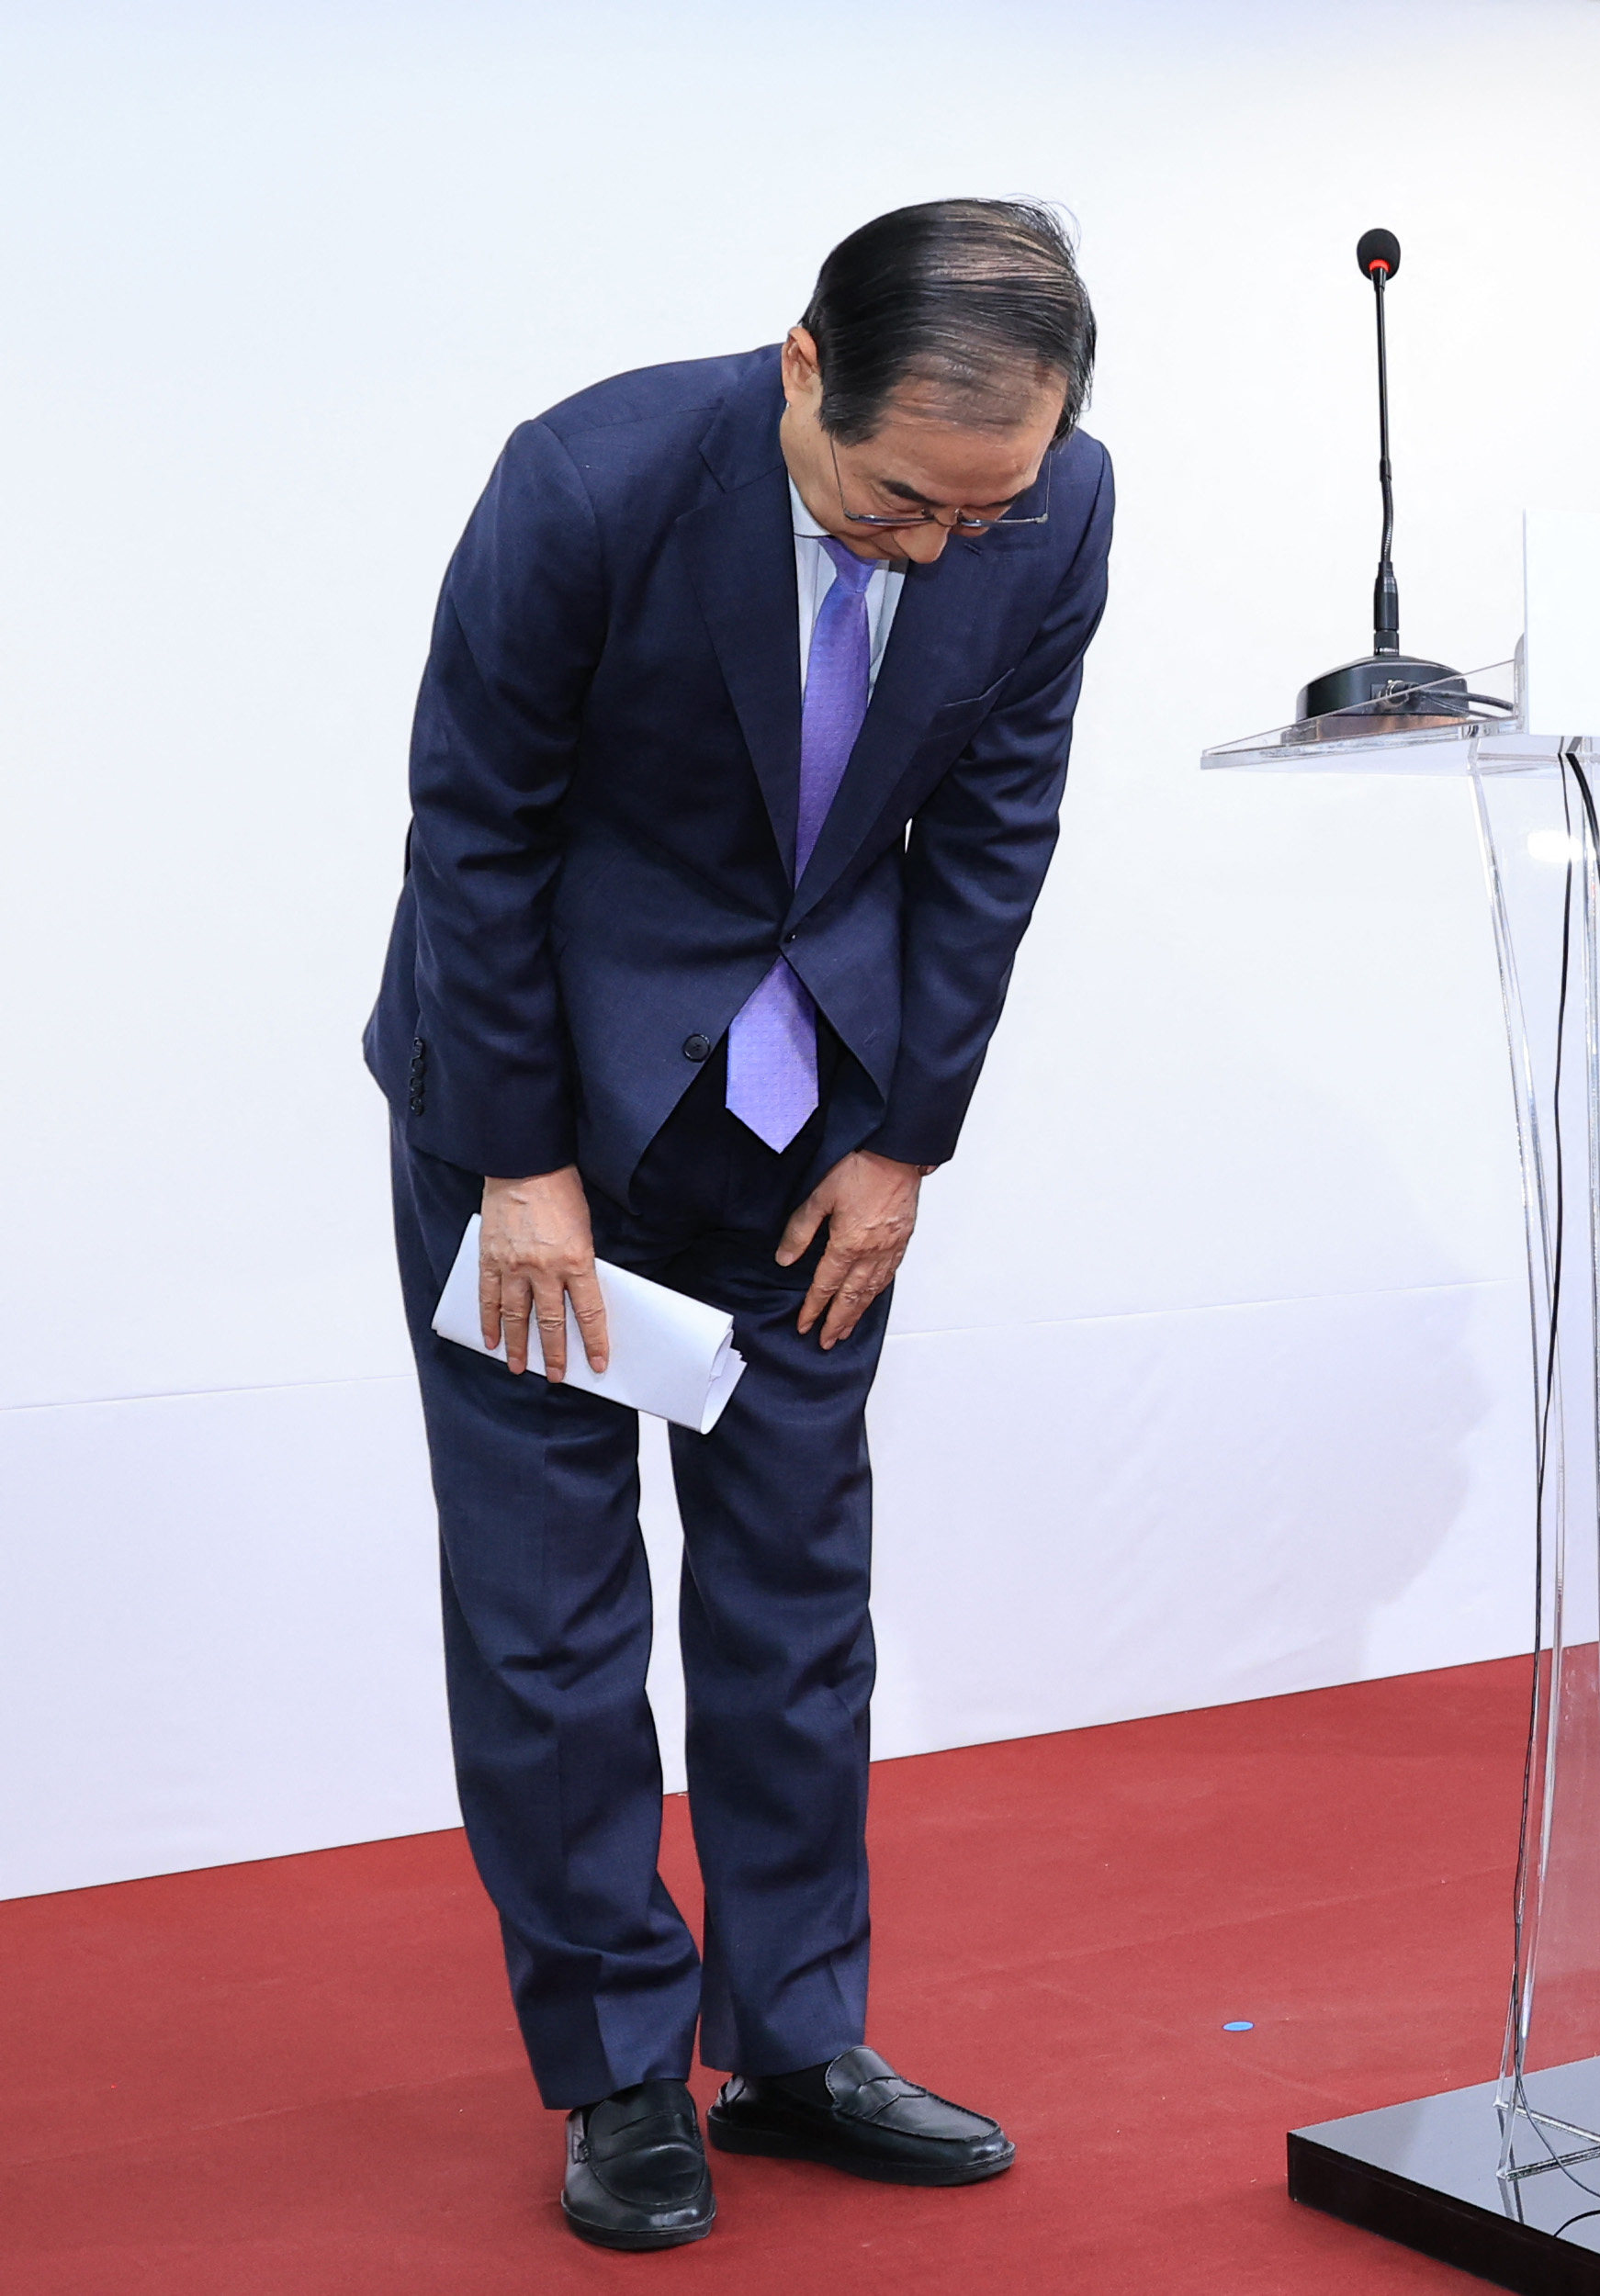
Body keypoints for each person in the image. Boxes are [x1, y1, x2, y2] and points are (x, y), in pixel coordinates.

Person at [363, 199, 1114, 2251]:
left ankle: (795, 2034)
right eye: (899, 503)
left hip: (812, 1121)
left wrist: (910, 1143)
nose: (942, 547)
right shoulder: (591, 478)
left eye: (989, 510)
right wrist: (523, 1167)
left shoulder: (1052, 502)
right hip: (537, 1104)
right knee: (551, 1609)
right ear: (804, 366)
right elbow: (477, 820)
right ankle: (620, 2063)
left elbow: (993, 820)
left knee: (799, 1589)